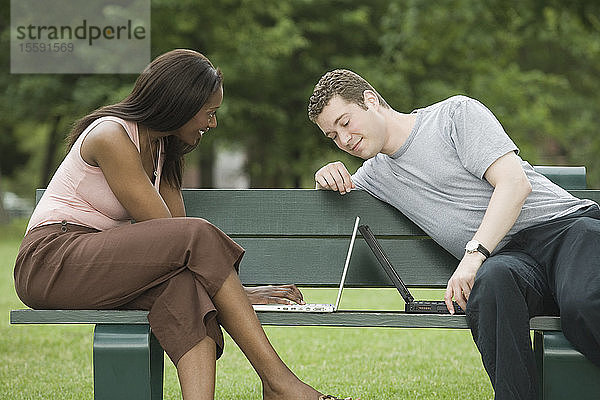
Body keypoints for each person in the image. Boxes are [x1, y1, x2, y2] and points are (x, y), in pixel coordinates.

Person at [14, 49, 354, 400]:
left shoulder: (163, 151)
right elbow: (178, 236)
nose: (212, 124)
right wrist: (240, 295)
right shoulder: (110, 135)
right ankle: (281, 385)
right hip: (51, 260)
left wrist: (234, 295)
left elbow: (180, 251)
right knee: (197, 233)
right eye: (209, 113)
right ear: (179, 104)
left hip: (94, 265)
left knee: (185, 293)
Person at [307, 68, 600, 400]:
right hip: (512, 261)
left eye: (345, 123)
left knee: (583, 304)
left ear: (370, 100)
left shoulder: (453, 116)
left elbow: (515, 184)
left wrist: (473, 255)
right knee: (492, 284)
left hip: (565, 231)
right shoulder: (375, 174)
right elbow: (341, 193)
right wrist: (326, 176)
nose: (343, 140)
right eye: (332, 136)